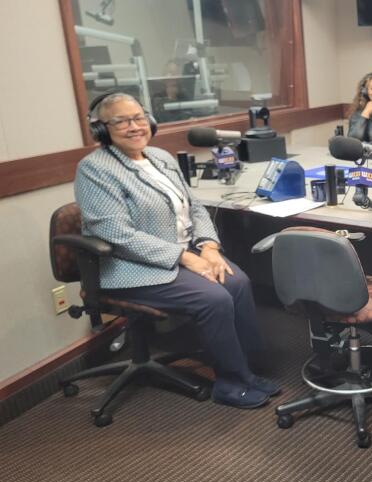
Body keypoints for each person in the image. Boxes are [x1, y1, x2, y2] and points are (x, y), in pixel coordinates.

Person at [74, 92, 281, 409]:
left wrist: (209, 247)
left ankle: (248, 370)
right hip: (134, 267)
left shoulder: (160, 157)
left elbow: (194, 207)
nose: (134, 126)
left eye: (139, 118)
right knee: (214, 298)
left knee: (238, 282)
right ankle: (229, 382)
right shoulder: (94, 169)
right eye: (121, 121)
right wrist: (184, 257)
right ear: (102, 129)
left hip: (188, 254)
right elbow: (116, 233)